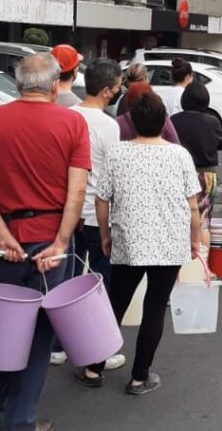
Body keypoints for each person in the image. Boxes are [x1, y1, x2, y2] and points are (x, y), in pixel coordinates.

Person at [0, 53, 90, 431]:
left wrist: (3, 236)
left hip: (7, 245)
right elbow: (78, 190)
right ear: (56, 86)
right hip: (51, 243)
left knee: (0, 329)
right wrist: (61, 242)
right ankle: (20, 420)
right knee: (39, 335)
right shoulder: (73, 122)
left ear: (18, 85)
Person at [75, 94, 201, 395]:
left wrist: (105, 234)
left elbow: (102, 198)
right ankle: (139, 377)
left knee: (115, 304)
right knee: (155, 308)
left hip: (128, 241)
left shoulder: (117, 154)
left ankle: (94, 368)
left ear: (131, 122)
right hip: (169, 243)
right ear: (163, 122)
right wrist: (194, 240)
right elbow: (193, 206)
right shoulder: (180, 154)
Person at [64, 59, 127, 371]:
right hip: (95, 215)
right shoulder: (108, 125)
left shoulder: (66, 117)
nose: (118, 92)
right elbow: (112, 176)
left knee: (66, 282)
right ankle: (96, 348)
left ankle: (58, 344)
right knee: (100, 285)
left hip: (66, 214)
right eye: (117, 88)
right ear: (106, 91)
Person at [171, 81, 222, 233]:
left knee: (179, 217)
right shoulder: (212, 121)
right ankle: (201, 255)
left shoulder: (174, 120)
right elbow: (221, 143)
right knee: (203, 220)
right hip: (206, 174)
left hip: (179, 174)